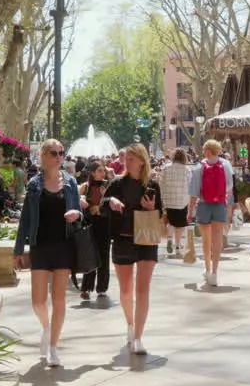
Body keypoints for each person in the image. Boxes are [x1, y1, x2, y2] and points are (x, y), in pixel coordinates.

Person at [13, 139, 83, 368]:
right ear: (43, 156)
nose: (58, 157)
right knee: (38, 301)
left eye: (61, 153)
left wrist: (77, 215)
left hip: (64, 245)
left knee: (60, 299)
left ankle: (53, 346)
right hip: (40, 246)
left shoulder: (71, 183)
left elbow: (81, 214)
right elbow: (25, 219)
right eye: (53, 153)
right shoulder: (34, 184)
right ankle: (46, 327)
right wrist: (18, 250)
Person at [106, 143, 162, 355]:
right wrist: (110, 201)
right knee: (126, 291)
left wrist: (150, 209)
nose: (126, 162)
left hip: (146, 240)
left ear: (141, 160)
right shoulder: (117, 184)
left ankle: (138, 337)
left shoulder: (152, 185)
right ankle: (130, 324)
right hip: (123, 239)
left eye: (130, 158)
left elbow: (160, 212)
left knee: (142, 290)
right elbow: (101, 205)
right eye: (125, 159)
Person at [189, 140, 235, 287]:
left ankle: (207, 269)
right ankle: (215, 272)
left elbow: (194, 192)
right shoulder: (226, 165)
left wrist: (190, 211)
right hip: (220, 204)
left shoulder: (199, 167)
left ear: (207, 150)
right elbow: (230, 186)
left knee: (205, 240)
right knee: (217, 239)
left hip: (203, 205)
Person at [79, 162, 113, 301]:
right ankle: (86, 287)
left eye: (103, 171)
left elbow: (113, 205)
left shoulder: (109, 186)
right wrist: (81, 200)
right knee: (89, 255)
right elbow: (76, 203)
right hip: (89, 225)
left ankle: (102, 288)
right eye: (99, 171)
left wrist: (107, 196)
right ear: (92, 172)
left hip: (105, 225)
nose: (102, 173)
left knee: (104, 256)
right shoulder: (85, 187)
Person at [159, 148, 192, 257]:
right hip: (182, 201)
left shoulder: (165, 168)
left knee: (171, 222)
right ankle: (178, 247)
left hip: (168, 200)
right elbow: (190, 186)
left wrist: (162, 199)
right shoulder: (187, 170)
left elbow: (161, 184)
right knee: (180, 225)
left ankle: (169, 238)